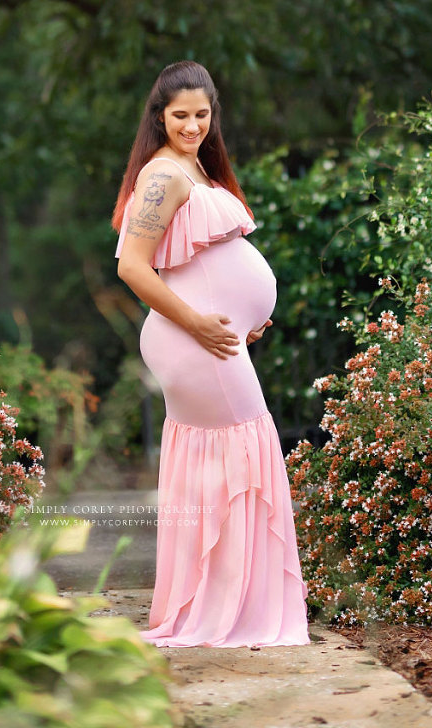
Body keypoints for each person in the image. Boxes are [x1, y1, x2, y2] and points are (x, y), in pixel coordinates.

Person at [113, 60, 310, 647]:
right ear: (159, 117)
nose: (193, 125)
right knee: (243, 454)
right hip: (190, 339)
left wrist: (240, 314)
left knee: (226, 466)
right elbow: (130, 266)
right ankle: (230, 611)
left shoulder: (194, 166)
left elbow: (196, 263)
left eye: (202, 114)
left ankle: (224, 603)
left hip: (211, 339)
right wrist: (200, 320)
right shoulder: (162, 175)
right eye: (180, 116)